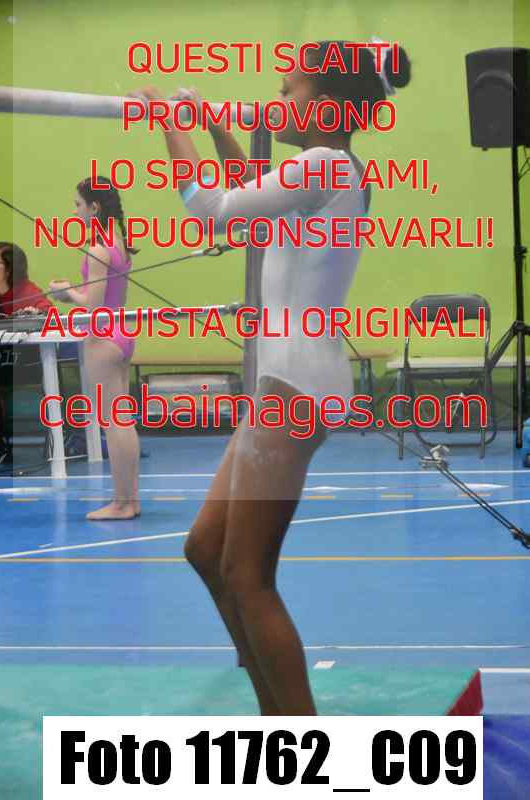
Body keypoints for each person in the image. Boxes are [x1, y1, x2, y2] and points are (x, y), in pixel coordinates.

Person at [134, 39, 411, 714]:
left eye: (288, 89)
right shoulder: (328, 168)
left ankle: (295, 732)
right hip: (290, 381)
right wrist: (210, 125)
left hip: (297, 386)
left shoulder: (322, 165)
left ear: (326, 104)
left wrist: (170, 128)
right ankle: (272, 707)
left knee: (246, 573)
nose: (277, 99)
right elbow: (247, 197)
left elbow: (213, 209)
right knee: (206, 549)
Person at [49, 178, 140, 519]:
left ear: (95, 207)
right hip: (122, 334)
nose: (75, 211)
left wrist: (66, 292)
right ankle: (130, 501)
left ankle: (121, 503)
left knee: (114, 423)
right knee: (122, 421)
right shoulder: (119, 242)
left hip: (102, 338)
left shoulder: (98, 249)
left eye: (78, 204)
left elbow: (93, 306)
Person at [0, 242, 52, 464]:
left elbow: (49, 314)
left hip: (26, 363)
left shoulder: (28, 292)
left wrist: (34, 314)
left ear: (10, 269)